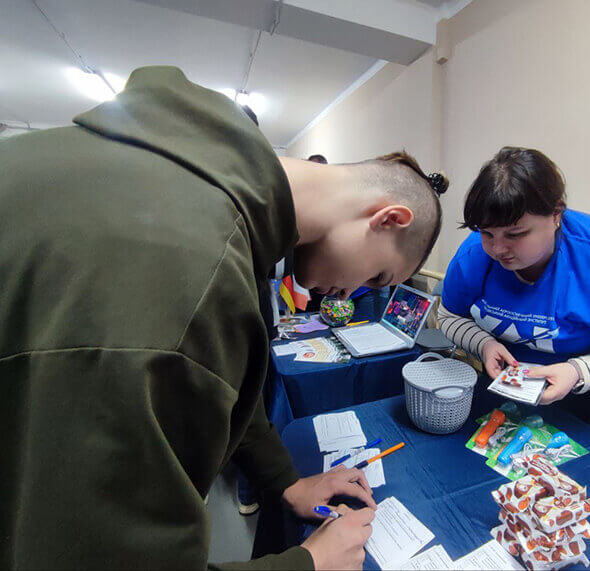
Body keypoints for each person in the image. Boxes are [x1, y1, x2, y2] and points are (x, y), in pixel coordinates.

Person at [0, 66, 447, 570]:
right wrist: (308, 564)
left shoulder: (209, 199)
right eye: (378, 276)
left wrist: (286, 482)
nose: (353, 292)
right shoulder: (199, 259)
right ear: (387, 219)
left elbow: (226, 388)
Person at [439, 147, 590, 428]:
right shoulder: (474, 256)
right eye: (486, 233)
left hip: (583, 400)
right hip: (501, 390)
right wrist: (483, 344)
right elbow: (448, 316)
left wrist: (579, 371)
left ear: (556, 214)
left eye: (515, 234)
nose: (497, 249)